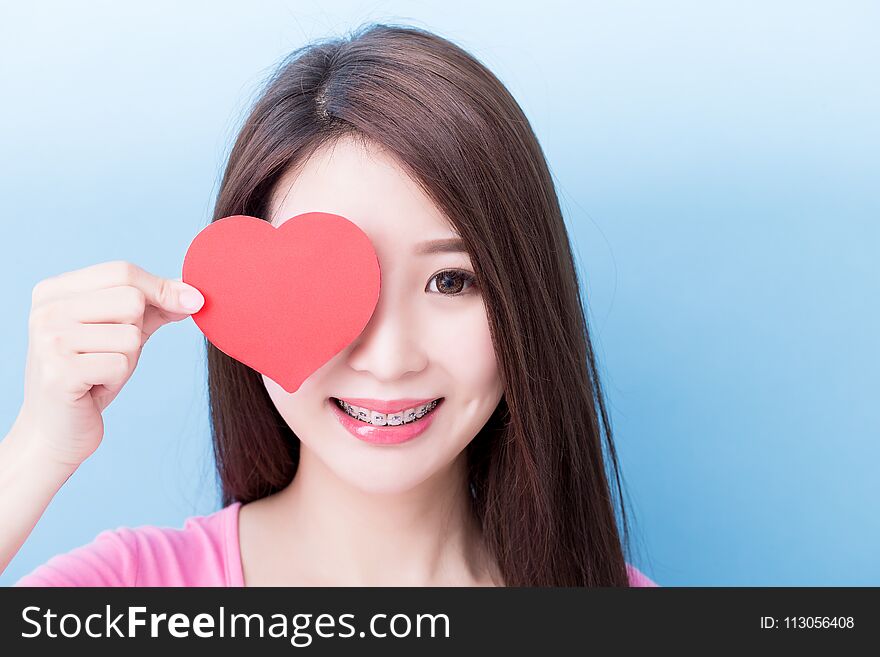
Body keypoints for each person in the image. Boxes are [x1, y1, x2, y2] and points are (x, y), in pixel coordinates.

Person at [1, 24, 657, 587]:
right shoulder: (134, 588)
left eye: (452, 281)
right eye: (319, 286)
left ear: (522, 301)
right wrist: (36, 449)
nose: (390, 358)